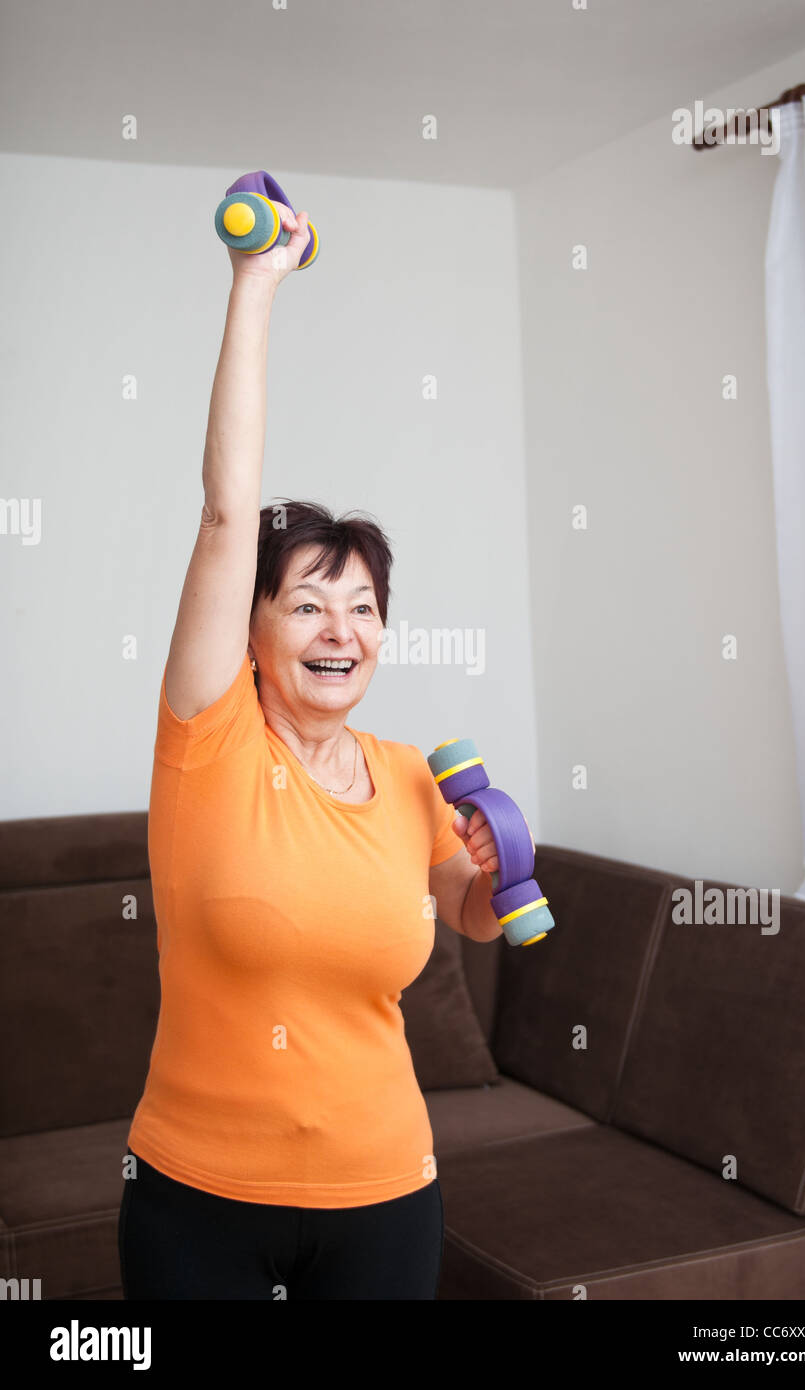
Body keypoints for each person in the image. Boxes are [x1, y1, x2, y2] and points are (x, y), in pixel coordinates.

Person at [118, 200, 513, 1301]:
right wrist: (257, 283)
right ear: (251, 631)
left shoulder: (406, 775)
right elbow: (225, 512)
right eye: (306, 605)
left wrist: (492, 870)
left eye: (363, 609)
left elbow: (471, 918)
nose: (341, 631)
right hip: (198, 1199)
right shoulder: (210, 740)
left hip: (385, 1190)